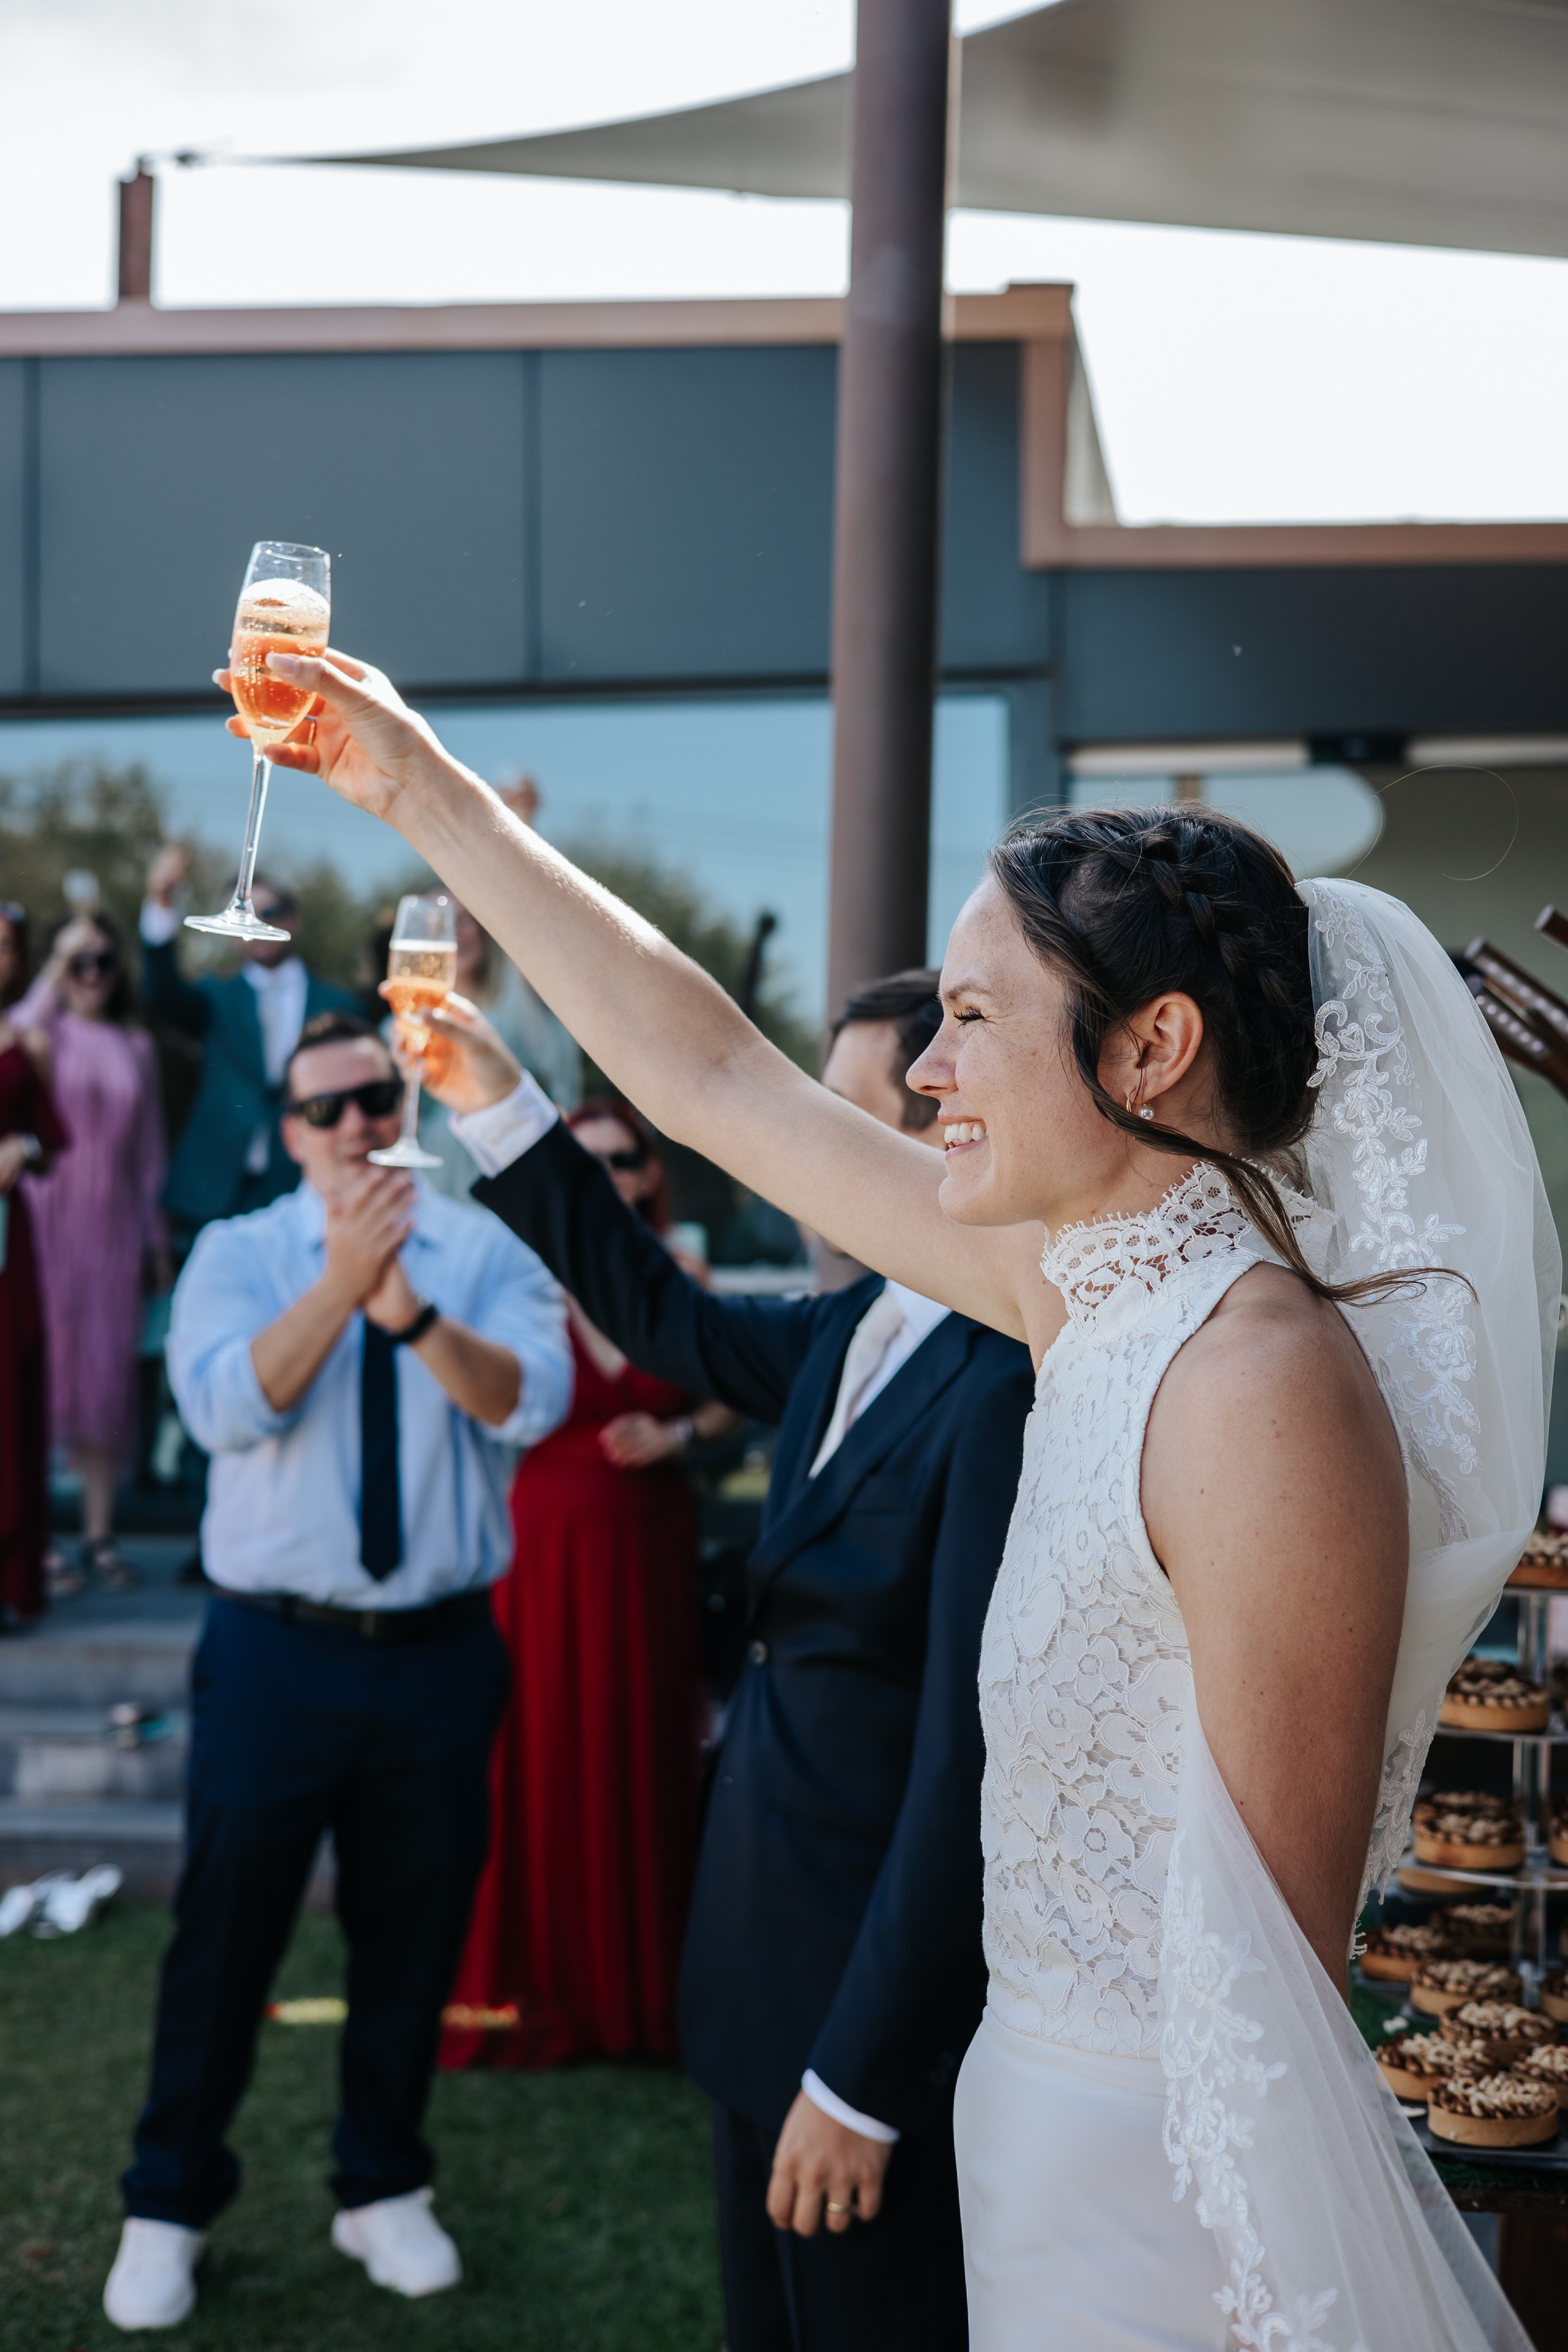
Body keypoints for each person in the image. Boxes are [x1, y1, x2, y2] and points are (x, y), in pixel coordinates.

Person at [257, 642, 1554, 2352]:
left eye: (970, 1018)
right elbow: (718, 1082)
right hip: (1020, 2126)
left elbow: (1274, 1996)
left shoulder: (1263, 1395)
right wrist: (415, 785)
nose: (927, 1072)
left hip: (1164, 2211)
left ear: (1152, 1045)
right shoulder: (1084, 1294)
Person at [423, 973, 1034, 2350]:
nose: (800, 1133)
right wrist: (494, 1103)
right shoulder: (850, 1327)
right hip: (755, 1969)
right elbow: (659, 1314)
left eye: (838, 1106)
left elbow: (963, 1770)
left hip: (868, 2011)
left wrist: (862, 2082)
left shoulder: (1004, 1380)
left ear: (937, 1126)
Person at [101, 1011, 572, 2334]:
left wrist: (406, 1307)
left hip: (435, 1653)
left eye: (375, 1096)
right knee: (225, 1933)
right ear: (290, 1131)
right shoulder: (236, 1253)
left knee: (411, 1936)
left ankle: (380, 2184)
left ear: (403, 1104)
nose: (356, 1124)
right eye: (325, 1109)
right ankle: (168, 2202)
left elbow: (523, 1402)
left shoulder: (485, 1251)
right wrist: (339, 1282)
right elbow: (225, 1409)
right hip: (271, 1651)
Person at [442, 1094, 734, 2073]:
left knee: (643, 1743)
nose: (608, 1177)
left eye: (623, 1160)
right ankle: (532, 1983)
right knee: (538, 1747)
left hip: (648, 1546)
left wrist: (682, 1434)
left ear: (649, 1172)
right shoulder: (523, 1279)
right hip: (542, 1551)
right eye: (590, 1161)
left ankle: (637, 1992)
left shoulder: (682, 1275)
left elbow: (745, 1388)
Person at [16, 911, 170, 1591]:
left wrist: (155, 1240)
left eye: (102, 963)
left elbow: (149, 1153)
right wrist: (59, 957)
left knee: (105, 1378)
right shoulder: (40, 1030)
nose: (91, 976)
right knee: (40, 1370)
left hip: (112, 1226)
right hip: (47, 1217)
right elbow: (15, 1031)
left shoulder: (136, 1046)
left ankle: (99, 1537)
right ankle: (36, 1536)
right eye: (80, 964)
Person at [139, 844, 359, 1237]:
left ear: (295, 919)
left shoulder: (339, 1005)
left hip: (305, 1182)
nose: (257, 926)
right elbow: (159, 995)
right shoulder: (214, 998)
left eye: (269, 913)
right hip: (218, 1188)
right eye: (245, 916)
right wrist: (162, 902)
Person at [412, 897, 581, 1197]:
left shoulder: (521, 994)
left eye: (465, 919)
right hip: (435, 1183)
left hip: (512, 1168)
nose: (455, 932)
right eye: (440, 924)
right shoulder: (405, 1024)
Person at [0, 907, 68, 1630]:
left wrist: (24, 1150)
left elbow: (54, 1140)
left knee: (9, 1389)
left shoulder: (28, 1041)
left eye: (7, 949)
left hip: (6, 1236)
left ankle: (10, 1572)